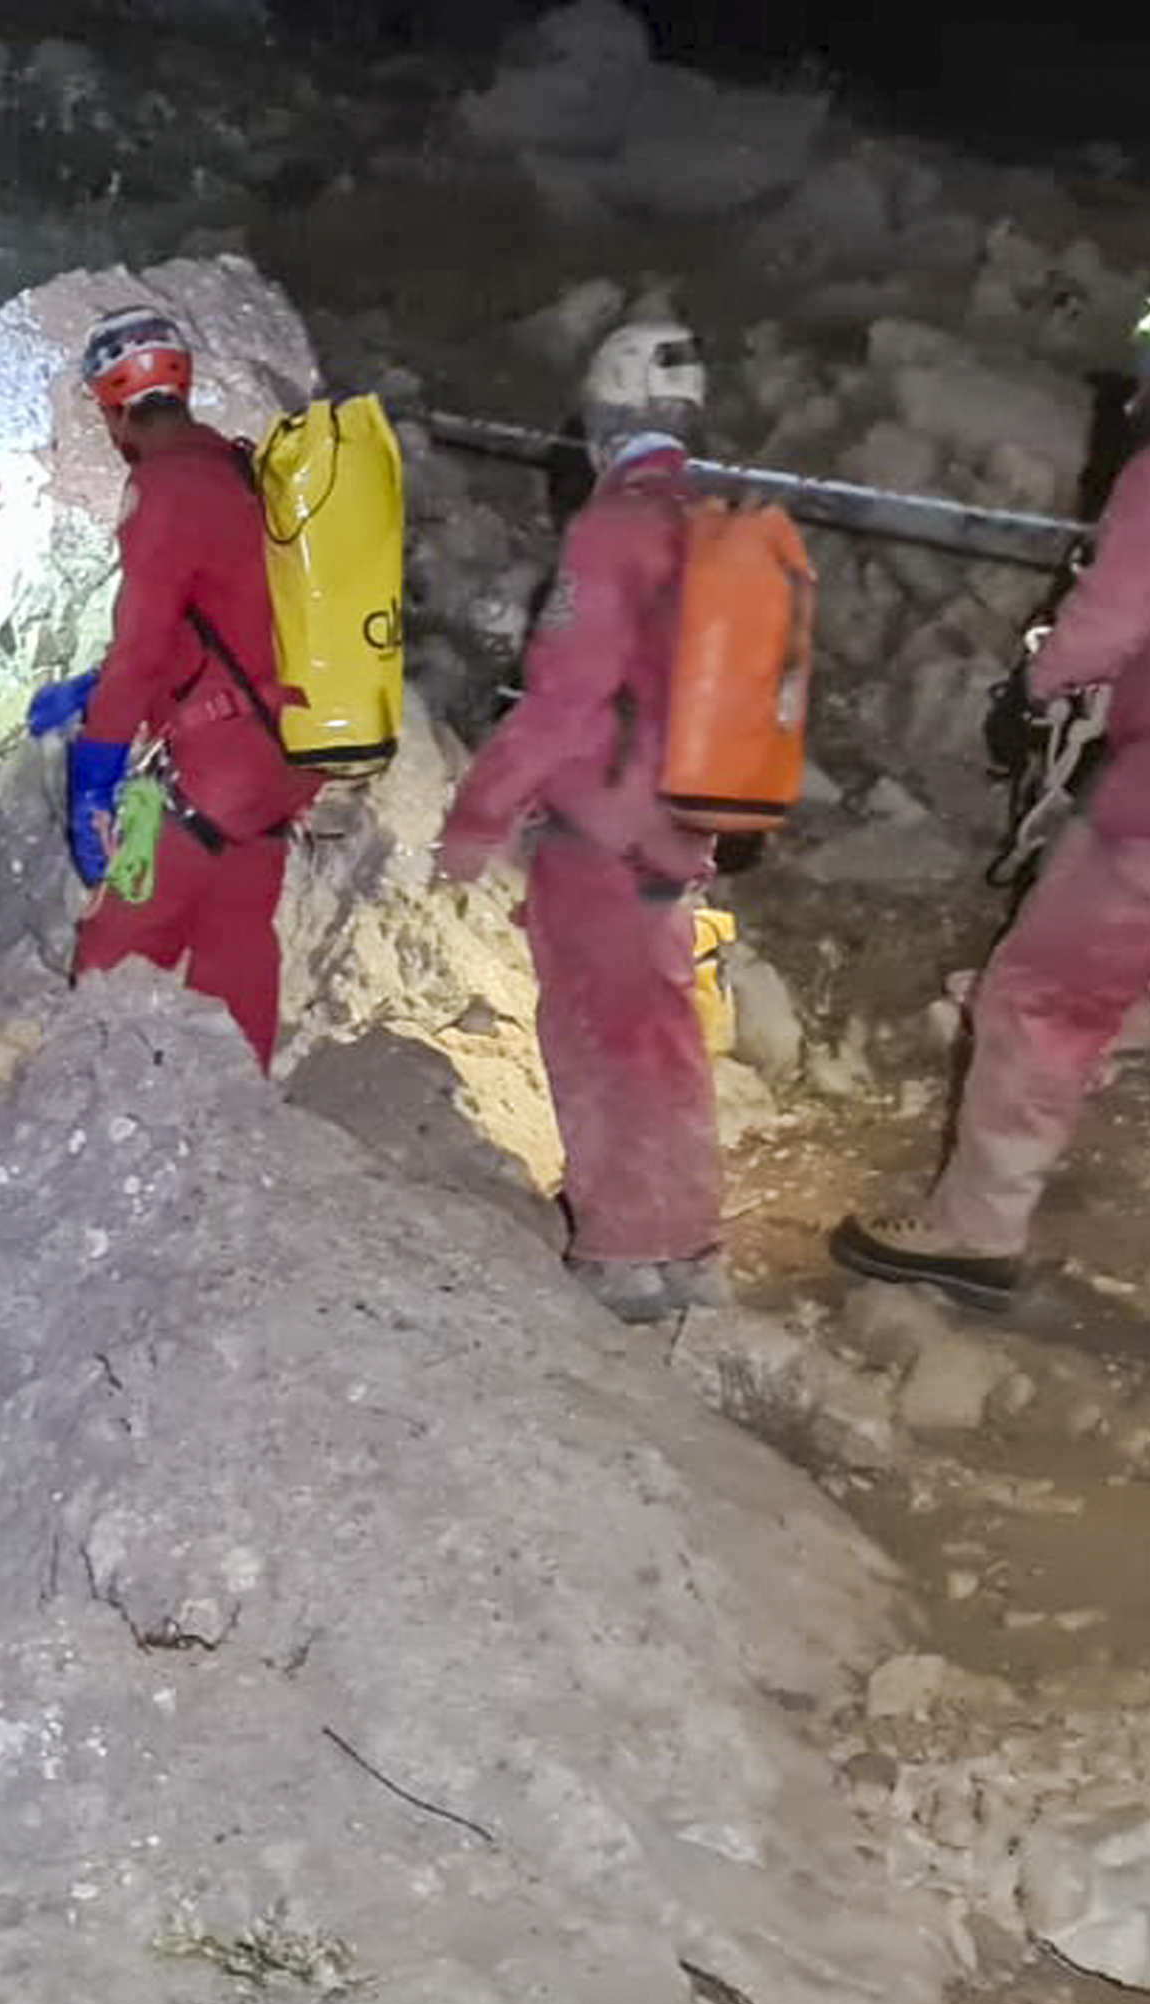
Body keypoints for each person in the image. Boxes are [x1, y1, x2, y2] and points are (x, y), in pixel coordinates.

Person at [833, 282, 1150, 1346]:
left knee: (1040, 997)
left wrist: (1039, 683)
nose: (1148, 388)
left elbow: (1104, 621)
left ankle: (972, 1232)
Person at [431, 320, 733, 1323]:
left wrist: (476, 818)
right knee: (662, 1028)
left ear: (601, 421)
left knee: (593, 1030)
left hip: (599, 824)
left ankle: (617, 1248)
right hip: (684, 821)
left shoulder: (609, 532)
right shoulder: (719, 522)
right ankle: (687, 1239)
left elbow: (557, 703)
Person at [30, 305, 327, 1072]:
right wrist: (92, 685)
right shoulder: (240, 470)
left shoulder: (163, 488)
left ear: (113, 410)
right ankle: (240, 1128)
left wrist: (94, 772)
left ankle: (102, 1131)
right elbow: (230, 617)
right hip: (283, 762)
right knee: (236, 949)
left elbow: (140, 650)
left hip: (211, 771)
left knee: (114, 958)